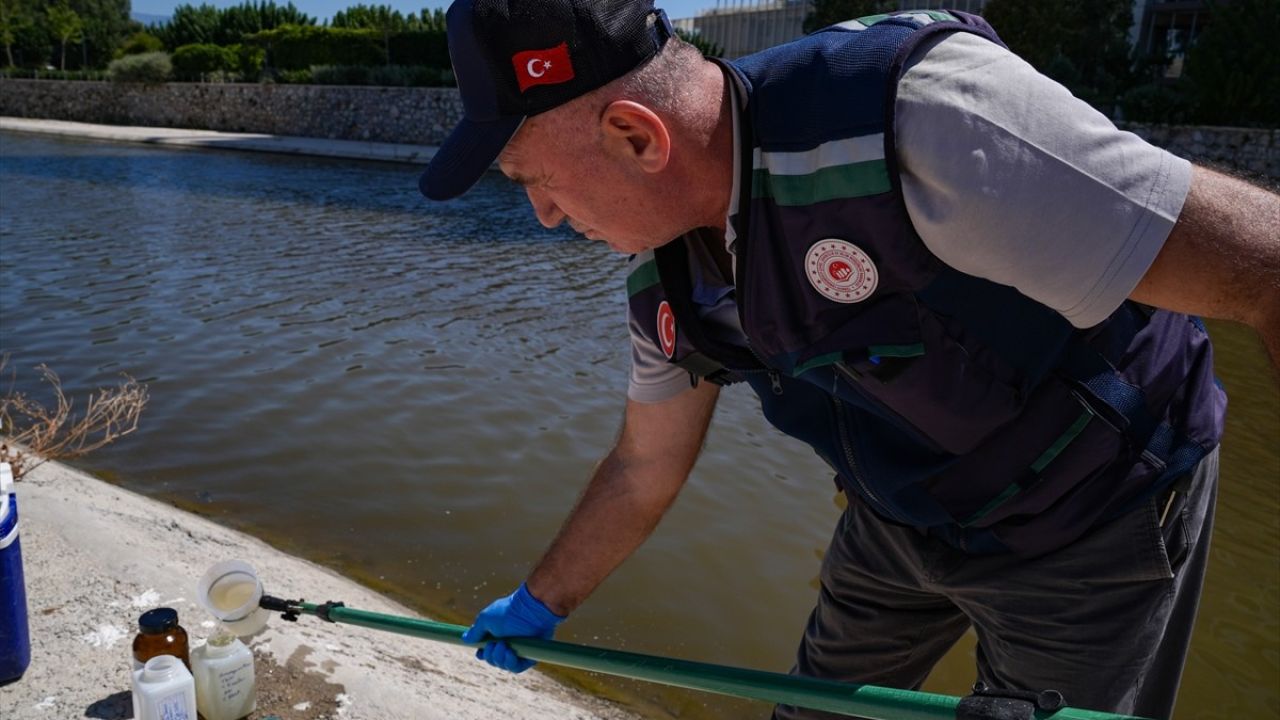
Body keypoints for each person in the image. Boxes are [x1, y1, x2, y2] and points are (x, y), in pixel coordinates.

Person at [418, 1, 1280, 717]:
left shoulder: (928, 120)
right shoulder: (663, 276)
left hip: (1091, 513)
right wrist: (544, 601)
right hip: (899, 511)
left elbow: (1266, 271)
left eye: (534, 179)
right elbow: (645, 464)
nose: (542, 215)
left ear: (636, 136)